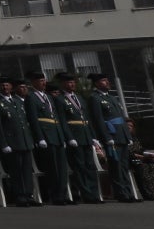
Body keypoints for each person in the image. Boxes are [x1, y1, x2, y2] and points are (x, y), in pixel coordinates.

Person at [86, 69, 137, 204]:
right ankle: (121, 193)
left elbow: (121, 117)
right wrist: (106, 137)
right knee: (116, 166)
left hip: (122, 135)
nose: (107, 82)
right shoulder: (95, 98)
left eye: (107, 80)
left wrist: (128, 135)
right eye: (104, 81)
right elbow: (98, 119)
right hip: (112, 136)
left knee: (124, 166)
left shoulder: (111, 97)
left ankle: (128, 192)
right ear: (97, 83)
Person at [0, 76, 39, 207]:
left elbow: (25, 121)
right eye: (2, 85)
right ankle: (20, 195)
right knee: (16, 170)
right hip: (11, 142)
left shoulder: (18, 101)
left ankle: (29, 194)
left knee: (27, 170)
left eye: (7, 85)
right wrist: (3, 144)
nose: (5, 88)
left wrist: (30, 139)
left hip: (24, 140)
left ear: (12, 87)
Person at [23, 72, 70, 206]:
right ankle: (55, 195)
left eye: (44, 80)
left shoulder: (49, 97)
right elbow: (33, 119)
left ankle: (63, 193)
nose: (43, 83)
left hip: (56, 133)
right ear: (33, 83)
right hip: (46, 135)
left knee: (61, 167)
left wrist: (62, 136)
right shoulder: (31, 97)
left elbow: (56, 117)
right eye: (40, 81)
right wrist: (40, 137)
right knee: (52, 167)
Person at [56, 73, 102, 204]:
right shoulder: (60, 99)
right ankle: (87, 194)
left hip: (86, 134)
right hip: (75, 136)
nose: (72, 85)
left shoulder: (80, 98)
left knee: (90, 166)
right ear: (63, 84)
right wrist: (69, 137)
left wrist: (93, 137)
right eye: (69, 82)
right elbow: (62, 120)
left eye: (73, 82)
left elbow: (87, 118)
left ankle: (94, 193)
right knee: (80, 167)